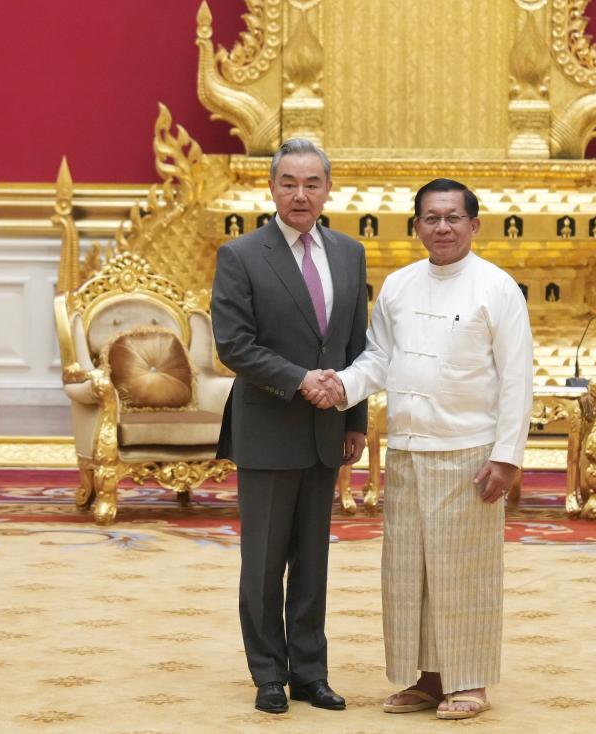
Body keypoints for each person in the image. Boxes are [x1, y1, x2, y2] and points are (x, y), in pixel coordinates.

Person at [308, 178, 534, 720]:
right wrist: (341, 387)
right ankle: (429, 678)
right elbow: (378, 359)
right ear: (416, 227)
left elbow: (517, 378)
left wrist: (507, 456)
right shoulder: (399, 286)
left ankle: (470, 680)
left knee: (465, 570)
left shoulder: (497, 288)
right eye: (431, 218)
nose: (443, 228)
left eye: (453, 218)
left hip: (470, 450)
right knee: (411, 572)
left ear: (474, 225)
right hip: (408, 450)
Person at [211, 138, 367, 715]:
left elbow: (356, 343)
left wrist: (355, 416)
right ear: (271, 188)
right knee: (263, 562)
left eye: (312, 184)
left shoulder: (350, 253)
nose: (300, 195)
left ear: (328, 190)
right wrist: (301, 378)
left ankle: (310, 671)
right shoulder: (242, 255)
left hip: (328, 431)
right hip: (269, 427)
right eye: (289, 183)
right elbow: (234, 344)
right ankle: (268, 674)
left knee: (313, 560)